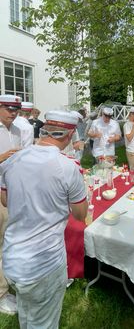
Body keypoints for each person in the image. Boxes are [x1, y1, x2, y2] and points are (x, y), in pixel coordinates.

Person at [1, 110, 88, 329]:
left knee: (29, 314)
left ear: (44, 130)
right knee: (44, 323)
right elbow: (80, 214)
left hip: (13, 257)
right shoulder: (68, 167)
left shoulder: (12, 159)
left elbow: (5, 200)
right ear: (69, 135)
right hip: (43, 262)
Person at [0, 94, 22, 315]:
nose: (13, 112)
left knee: (8, 240)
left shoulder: (16, 130)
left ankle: (7, 285)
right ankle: (1, 295)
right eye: (8, 108)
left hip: (12, 192)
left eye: (16, 109)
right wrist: (3, 156)